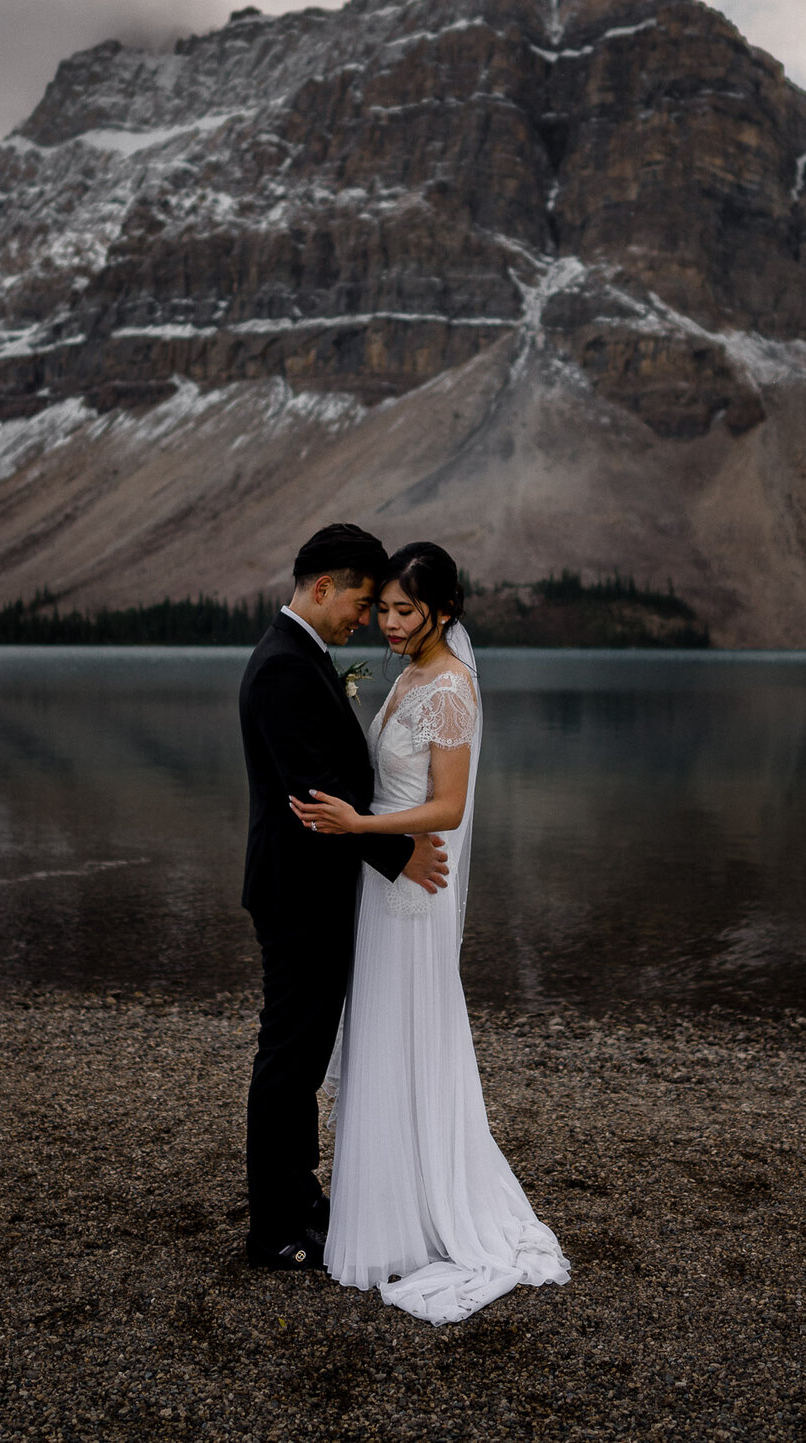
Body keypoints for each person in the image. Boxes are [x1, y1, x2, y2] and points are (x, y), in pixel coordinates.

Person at [290, 541, 570, 1323]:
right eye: (381, 608)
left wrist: (360, 824)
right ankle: (387, 1203)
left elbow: (448, 806)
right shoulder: (409, 674)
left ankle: (421, 1207)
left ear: (444, 611)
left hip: (415, 891)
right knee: (382, 1034)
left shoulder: (450, 687)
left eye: (405, 610)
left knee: (411, 1031)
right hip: (388, 885)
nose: (387, 622)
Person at [236, 524, 448, 1270]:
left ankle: (300, 1194)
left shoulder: (301, 655)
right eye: (361, 603)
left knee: (301, 1053)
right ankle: (275, 1230)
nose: (366, 619)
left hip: (314, 889)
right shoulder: (282, 669)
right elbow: (314, 796)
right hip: (299, 893)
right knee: (289, 1060)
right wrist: (400, 851)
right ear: (322, 587)